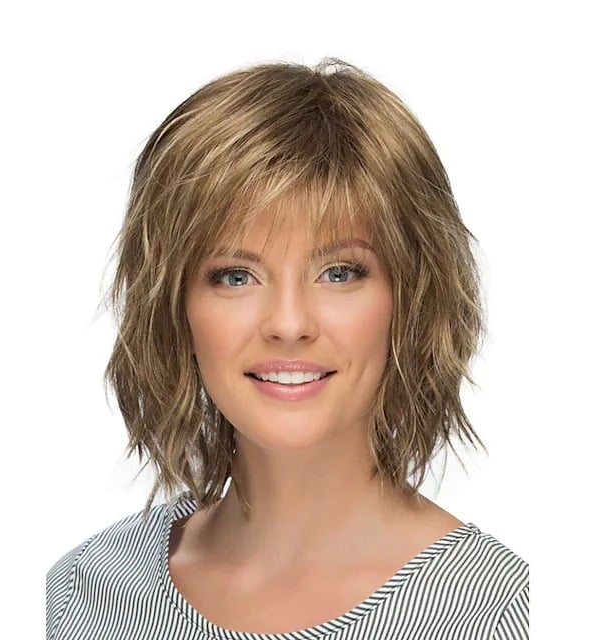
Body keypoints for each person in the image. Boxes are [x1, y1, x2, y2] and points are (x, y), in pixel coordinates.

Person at [46, 58, 529, 639]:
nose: (289, 323)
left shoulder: (500, 612)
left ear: (411, 298)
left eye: (340, 272)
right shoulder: (82, 592)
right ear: (175, 308)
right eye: (235, 276)